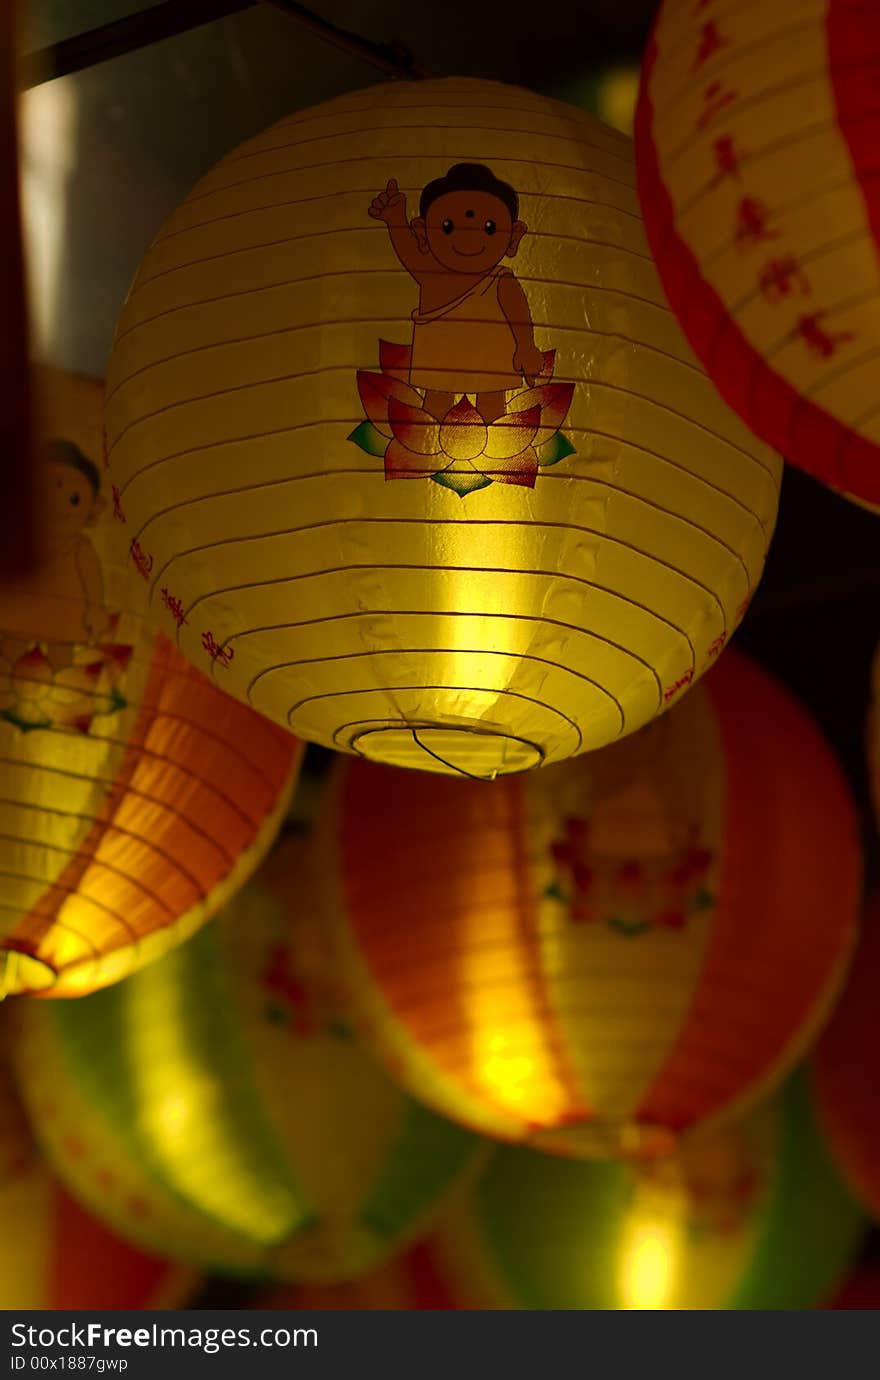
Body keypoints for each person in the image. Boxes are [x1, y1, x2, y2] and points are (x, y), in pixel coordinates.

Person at [369, 162, 545, 423]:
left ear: (513, 237)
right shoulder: (432, 276)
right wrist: (395, 219)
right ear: (422, 233)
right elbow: (407, 251)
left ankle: (501, 450)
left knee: (493, 407)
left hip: (491, 357)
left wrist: (526, 347)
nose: (469, 238)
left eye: (489, 227)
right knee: (436, 403)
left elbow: (517, 315)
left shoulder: (500, 281)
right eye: (448, 226)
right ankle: (427, 448)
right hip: (440, 358)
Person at [0, 439, 109, 673]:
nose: (58, 507)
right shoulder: (21, 537)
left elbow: (92, 580)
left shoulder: (81, 548)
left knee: (62, 655)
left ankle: (65, 685)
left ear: (94, 508)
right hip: (25, 606)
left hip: (64, 614)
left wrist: (95, 609)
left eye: (74, 500)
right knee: (11, 645)